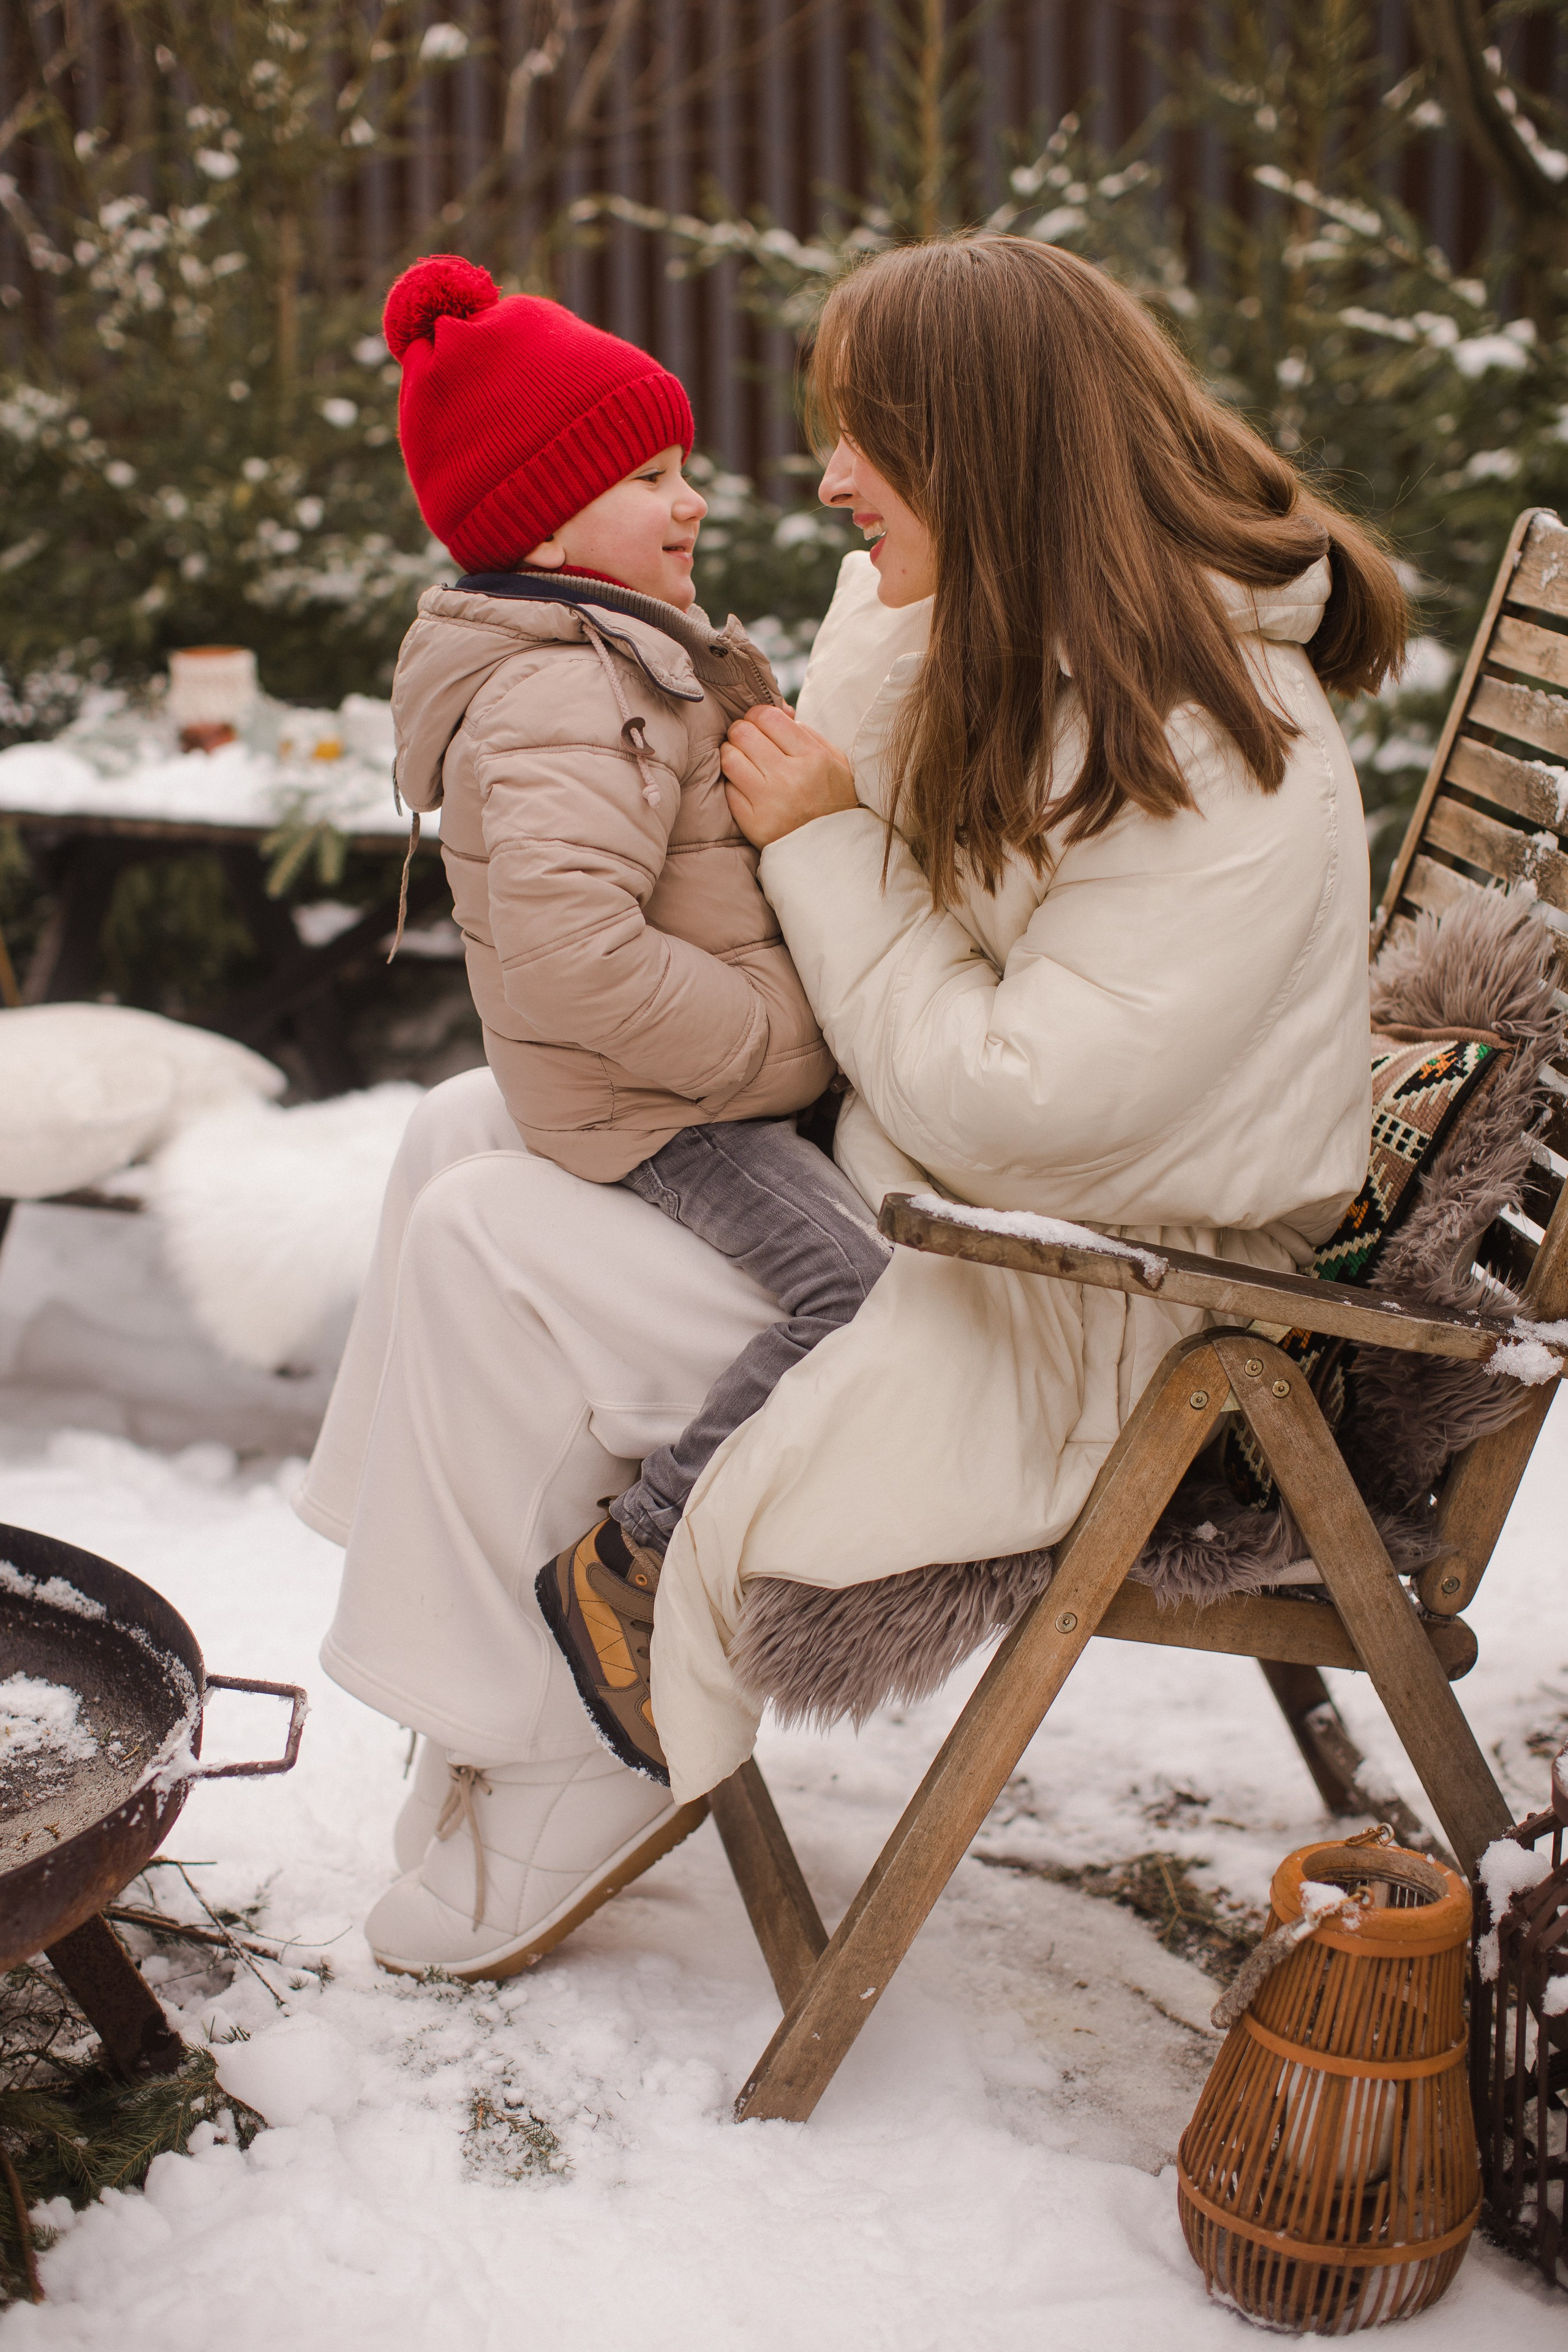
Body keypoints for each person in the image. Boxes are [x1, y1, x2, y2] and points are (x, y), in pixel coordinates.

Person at [298, 234, 1400, 1982]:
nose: (823, 482)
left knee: (485, 1229)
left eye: (866, 438)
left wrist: (819, 834)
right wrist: (873, 665)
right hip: (936, 1209)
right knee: (461, 1129)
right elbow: (892, 895)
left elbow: (1014, 1107)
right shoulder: (1004, 624)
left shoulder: (1215, 750)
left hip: (1071, 1305)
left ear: (988, 451)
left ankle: (592, 1731)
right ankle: (518, 1700)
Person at [377, 255, 891, 1799]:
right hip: (664, 1104)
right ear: (543, 519)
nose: (692, 498)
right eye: (647, 476)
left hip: (680, 1086)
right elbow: (571, 957)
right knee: (858, 1298)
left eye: (683, 468)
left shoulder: (619, 651)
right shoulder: (558, 693)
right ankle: (635, 1572)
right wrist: (775, 1043)